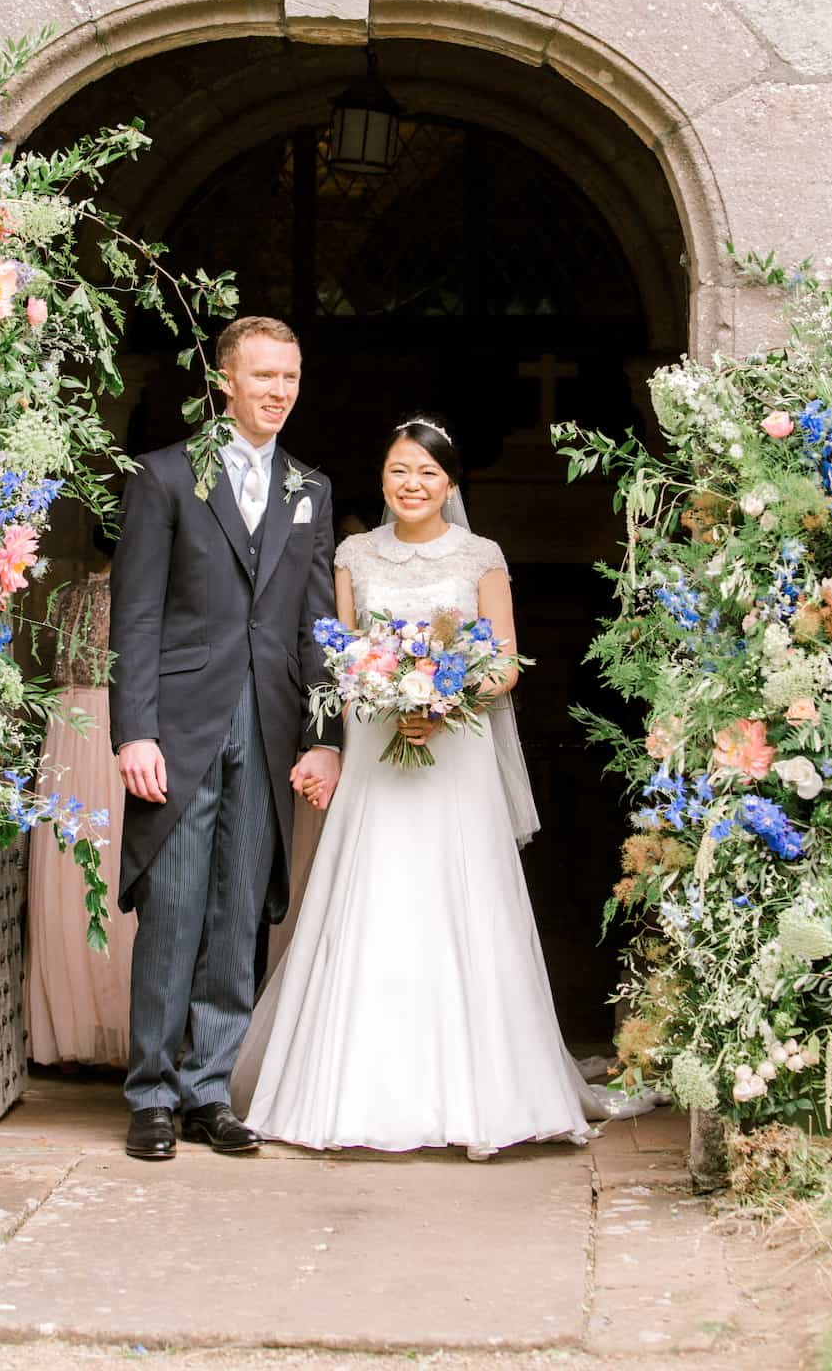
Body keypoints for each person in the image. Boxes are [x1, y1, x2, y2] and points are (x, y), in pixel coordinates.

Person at [234, 416, 657, 1158]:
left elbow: (504, 663)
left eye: (427, 473)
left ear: (450, 484)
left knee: (461, 900)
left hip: (455, 755)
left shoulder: (481, 556)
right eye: (399, 469)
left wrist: (441, 699)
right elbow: (344, 655)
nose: (411, 484)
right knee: (375, 899)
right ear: (384, 475)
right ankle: (349, 1092)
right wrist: (388, 698)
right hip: (376, 753)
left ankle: (483, 1094)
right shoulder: (355, 555)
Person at [109, 316, 343, 1161]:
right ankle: (151, 1097)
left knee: (241, 908)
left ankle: (210, 1089)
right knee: (171, 909)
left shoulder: (309, 490)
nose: (278, 392)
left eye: (290, 376)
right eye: (264, 377)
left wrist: (326, 737)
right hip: (179, 725)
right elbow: (133, 615)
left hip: (273, 724)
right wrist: (134, 730)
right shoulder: (165, 478)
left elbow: (321, 626)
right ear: (225, 383)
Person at [25, 530, 133, 1068]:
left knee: (71, 867)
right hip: (113, 726)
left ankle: (68, 1023)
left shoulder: (67, 595)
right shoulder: (134, 596)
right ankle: (116, 1022)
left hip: (66, 730)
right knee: (112, 865)